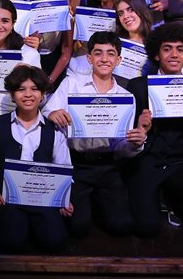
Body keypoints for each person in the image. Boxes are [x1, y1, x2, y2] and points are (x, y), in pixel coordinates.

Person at [44, 31, 142, 238]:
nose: (104, 59)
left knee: (121, 225)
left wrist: (135, 143)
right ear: (89, 58)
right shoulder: (71, 84)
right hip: (76, 164)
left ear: (118, 60)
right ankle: (88, 205)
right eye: (98, 53)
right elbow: (46, 112)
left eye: (110, 54)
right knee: (77, 227)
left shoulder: (126, 97)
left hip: (108, 166)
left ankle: (98, 202)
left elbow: (122, 148)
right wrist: (52, 113)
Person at [124, 23, 183, 237]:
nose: (174, 54)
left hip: (180, 162)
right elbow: (126, 140)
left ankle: (173, 199)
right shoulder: (138, 87)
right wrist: (140, 129)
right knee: (146, 228)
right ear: (157, 54)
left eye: (180, 49)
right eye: (167, 49)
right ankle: (151, 195)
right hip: (146, 162)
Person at [0, 65, 73, 252]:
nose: (28, 95)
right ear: (12, 95)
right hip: (7, 200)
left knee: (55, 241)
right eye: (20, 89)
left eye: (34, 89)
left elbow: (63, 168)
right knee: (11, 242)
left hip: (44, 199)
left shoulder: (55, 130)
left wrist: (64, 199)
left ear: (43, 95)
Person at [67, 0, 121, 76]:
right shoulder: (88, 14)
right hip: (85, 66)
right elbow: (77, 45)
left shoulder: (124, 10)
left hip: (116, 68)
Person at [29, 0, 73, 90]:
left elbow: (66, 53)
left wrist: (50, 81)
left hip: (55, 67)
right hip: (31, 65)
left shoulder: (66, 14)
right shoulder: (27, 13)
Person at [113, 0, 156, 77]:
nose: (126, 16)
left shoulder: (157, 43)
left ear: (141, 10)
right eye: (121, 13)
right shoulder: (114, 44)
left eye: (130, 10)